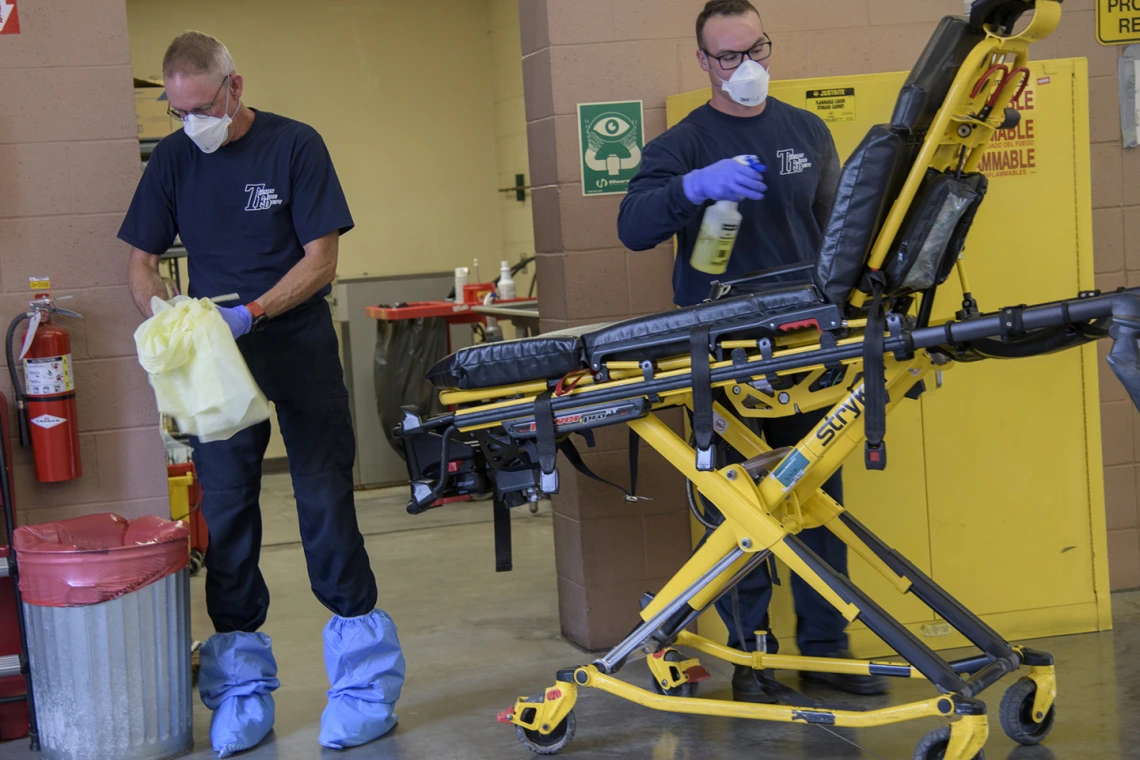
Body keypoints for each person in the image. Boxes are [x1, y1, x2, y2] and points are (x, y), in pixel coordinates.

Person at [119, 31, 404, 757]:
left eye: (201, 108)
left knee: (324, 503)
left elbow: (322, 259)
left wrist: (254, 311)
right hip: (216, 355)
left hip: (294, 339)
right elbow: (141, 263)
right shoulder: (178, 159)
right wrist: (163, 314)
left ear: (234, 88)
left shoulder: (294, 146)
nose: (191, 125)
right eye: (178, 113)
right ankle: (241, 688)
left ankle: (365, 687)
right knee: (227, 513)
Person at [617, 0, 888, 702]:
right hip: (725, 356)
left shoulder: (806, 130)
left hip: (806, 348)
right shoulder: (683, 145)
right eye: (729, 57)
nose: (746, 68)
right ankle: (754, 660)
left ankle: (827, 649)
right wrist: (692, 190)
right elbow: (634, 227)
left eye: (756, 50)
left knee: (815, 497)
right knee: (739, 510)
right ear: (703, 62)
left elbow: (837, 234)